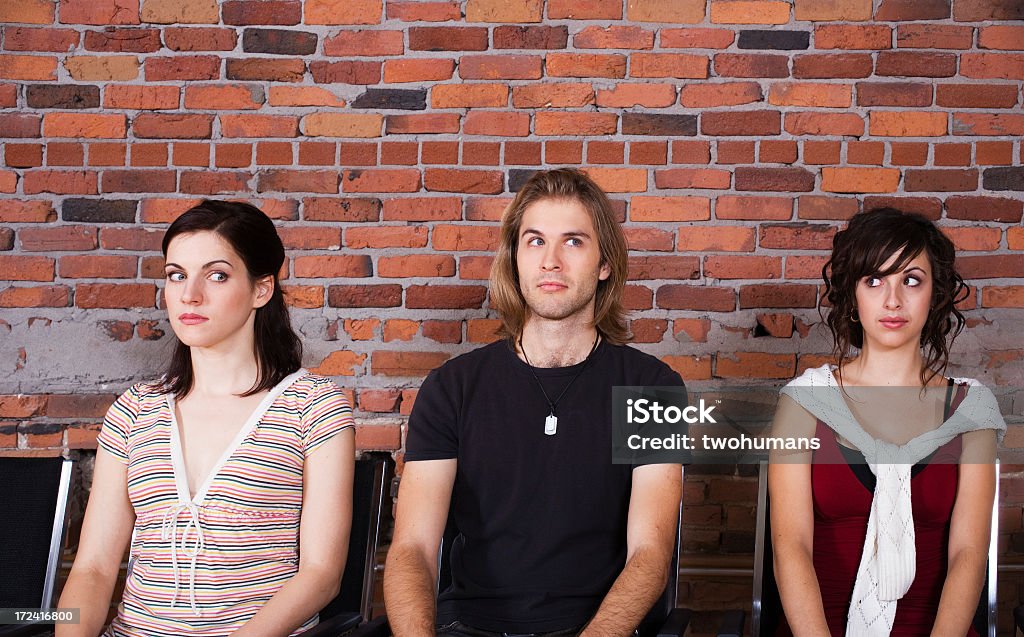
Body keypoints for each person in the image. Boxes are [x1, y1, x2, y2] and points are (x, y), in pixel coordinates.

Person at [383, 168, 685, 637]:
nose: (551, 261)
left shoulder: (653, 387)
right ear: (516, 259)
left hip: (592, 628)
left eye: (574, 242)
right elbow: (412, 551)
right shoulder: (451, 387)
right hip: (467, 625)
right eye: (536, 241)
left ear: (605, 263)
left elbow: (650, 557)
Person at [58, 200, 356, 637]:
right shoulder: (134, 410)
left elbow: (320, 574)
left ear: (261, 289)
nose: (189, 294)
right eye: (176, 274)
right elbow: (94, 570)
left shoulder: (313, 406)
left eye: (216, 275)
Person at [769, 208, 1004, 637]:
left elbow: (969, 553)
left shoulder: (973, 409)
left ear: (934, 295)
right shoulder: (803, 402)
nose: (893, 300)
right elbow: (791, 548)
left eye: (911, 280)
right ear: (852, 296)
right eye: (874, 280)